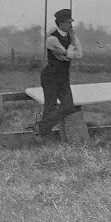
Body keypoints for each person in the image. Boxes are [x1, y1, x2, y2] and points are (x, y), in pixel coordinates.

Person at [36, 8, 83, 136]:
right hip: (50, 76)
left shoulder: (72, 36)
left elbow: (79, 54)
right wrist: (70, 49)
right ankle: (44, 135)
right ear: (61, 23)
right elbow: (69, 54)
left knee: (68, 106)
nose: (71, 25)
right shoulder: (52, 39)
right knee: (49, 107)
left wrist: (69, 51)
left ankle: (42, 127)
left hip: (63, 77)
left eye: (71, 22)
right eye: (68, 22)